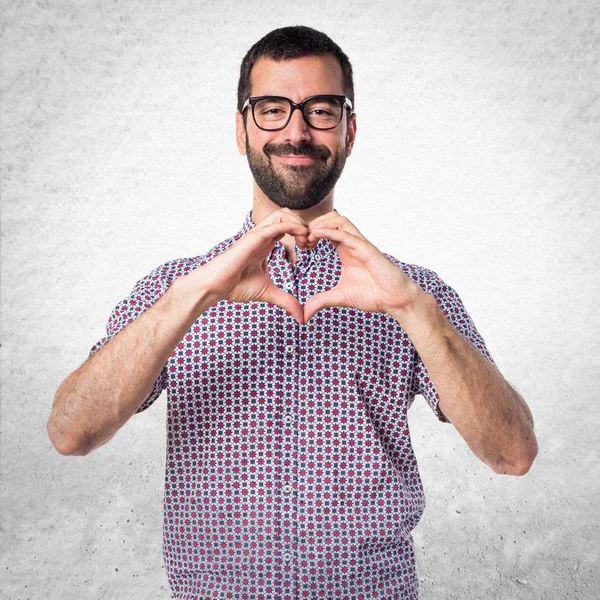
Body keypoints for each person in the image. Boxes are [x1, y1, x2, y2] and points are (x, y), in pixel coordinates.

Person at [47, 25, 538, 600]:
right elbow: (69, 432)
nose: (297, 131)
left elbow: (513, 454)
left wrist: (413, 310)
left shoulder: (414, 293)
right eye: (273, 109)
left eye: (321, 110)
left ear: (349, 131)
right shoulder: (174, 289)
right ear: (242, 129)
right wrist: (191, 298)